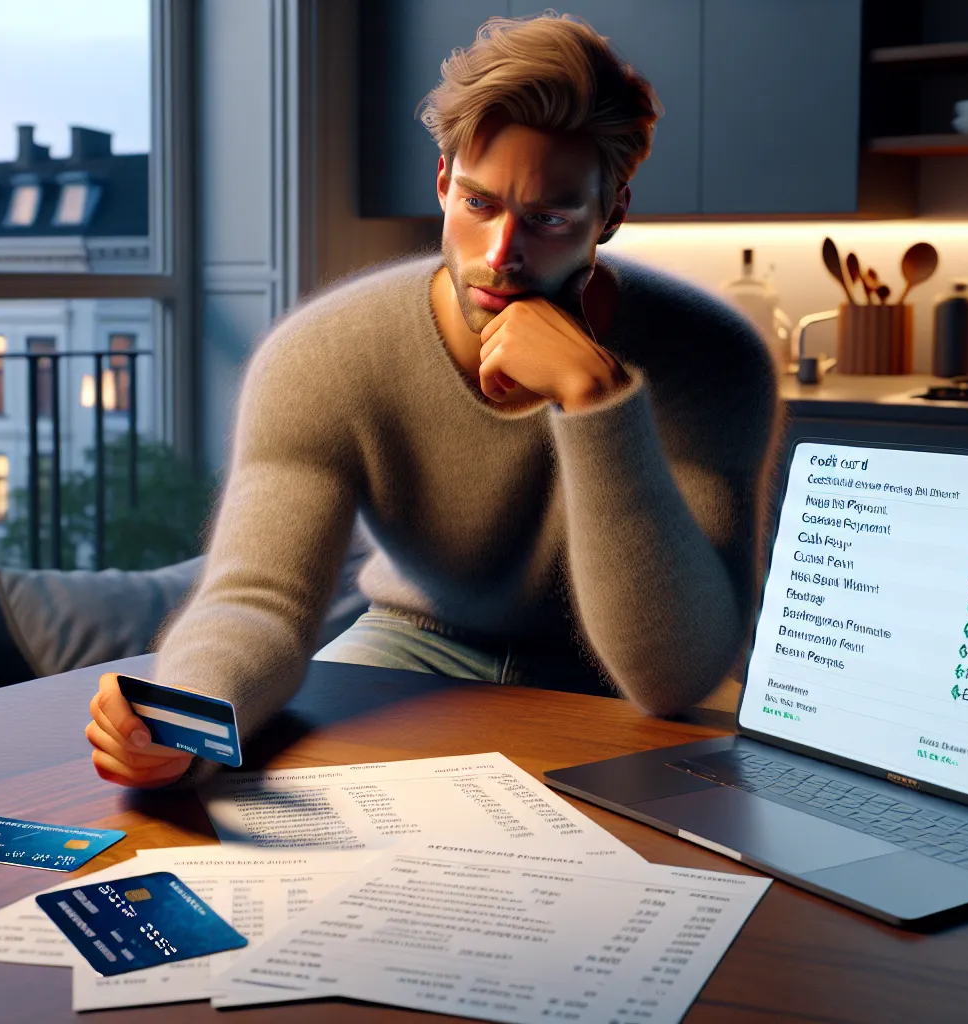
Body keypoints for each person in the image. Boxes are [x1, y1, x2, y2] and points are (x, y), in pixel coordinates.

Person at [87, 13, 779, 788]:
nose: (501, 255)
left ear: (610, 214)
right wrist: (184, 714)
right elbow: (259, 598)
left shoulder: (714, 355)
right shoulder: (323, 353)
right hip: (405, 651)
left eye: (549, 219)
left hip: (618, 690)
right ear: (444, 180)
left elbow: (674, 676)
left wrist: (597, 401)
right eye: (481, 204)